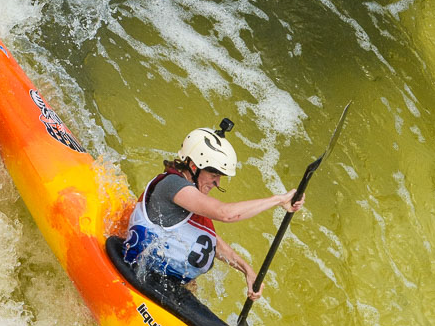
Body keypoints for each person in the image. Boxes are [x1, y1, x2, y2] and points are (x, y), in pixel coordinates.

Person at [123, 121, 303, 300]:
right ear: (193, 166)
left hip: (163, 284)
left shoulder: (191, 199)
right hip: (133, 276)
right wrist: (278, 200)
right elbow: (226, 214)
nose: (217, 183)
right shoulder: (173, 185)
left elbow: (211, 242)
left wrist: (246, 270)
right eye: (214, 175)